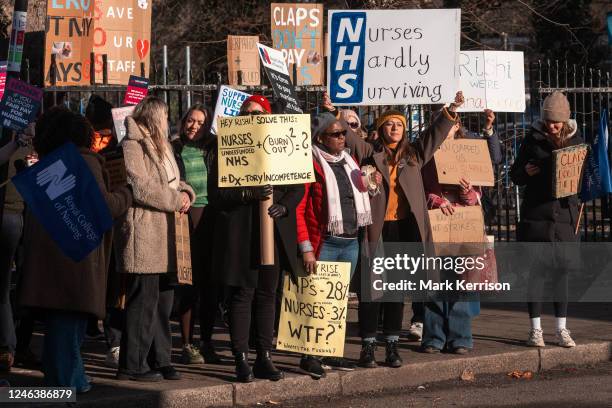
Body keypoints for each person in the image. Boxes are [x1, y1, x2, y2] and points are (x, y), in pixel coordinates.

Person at [326, 93, 460, 368]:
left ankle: (391, 347)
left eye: (399, 124)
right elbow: (350, 139)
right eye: (389, 124)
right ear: (381, 129)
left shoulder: (415, 154)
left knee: (396, 292)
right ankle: (367, 347)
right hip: (376, 231)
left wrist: (451, 110)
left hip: (404, 230)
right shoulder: (369, 153)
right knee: (372, 291)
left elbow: (435, 134)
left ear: (404, 129)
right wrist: (335, 112)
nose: (395, 128)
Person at [18, 107, 132, 392]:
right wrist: (126, 193)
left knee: (60, 328)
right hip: (76, 262)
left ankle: (73, 380)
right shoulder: (85, 162)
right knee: (69, 329)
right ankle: (64, 386)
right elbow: (104, 207)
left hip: (50, 261)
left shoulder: (47, 163)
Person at [208, 95, 304, 383]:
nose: (253, 119)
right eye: (247, 113)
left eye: (258, 113)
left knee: (267, 295)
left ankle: (264, 355)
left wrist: (284, 205)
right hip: (241, 233)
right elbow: (218, 195)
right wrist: (249, 194)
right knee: (242, 295)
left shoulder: (280, 144)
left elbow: (297, 185)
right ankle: (241, 358)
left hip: (272, 232)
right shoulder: (227, 146)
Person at [114, 96, 196, 382]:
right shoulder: (132, 145)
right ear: (152, 117)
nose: (167, 121)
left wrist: (186, 193)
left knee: (163, 302)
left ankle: (161, 358)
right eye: (164, 116)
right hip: (146, 233)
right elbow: (142, 187)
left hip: (169, 233)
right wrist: (176, 200)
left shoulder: (165, 145)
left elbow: (173, 181)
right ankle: (131, 365)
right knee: (142, 301)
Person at [296, 112, 379, 377]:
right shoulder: (312, 162)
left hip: (350, 241)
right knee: (317, 301)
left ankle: (331, 352)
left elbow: (359, 195)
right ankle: (309, 355)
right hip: (325, 242)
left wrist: (371, 185)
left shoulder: (350, 161)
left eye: (344, 133)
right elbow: (299, 208)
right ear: (321, 138)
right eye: (336, 134)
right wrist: (306, 247)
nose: (342, 138)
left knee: (338, 301)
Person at [420, 108, 501, 354]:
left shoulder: (470, 150)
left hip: (465, 223)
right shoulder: (426, 152)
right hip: (437, 222)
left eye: (453, 124)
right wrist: (435, 200)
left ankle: (460, 337)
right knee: (435, 281)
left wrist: (468, 193)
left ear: (458, 126)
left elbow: (480, 192)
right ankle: (433, 336)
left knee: (464, 281)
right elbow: (416, 187)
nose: (449, 128)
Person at [510, 91, 581, 348]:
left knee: (562, 275)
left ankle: (562, 329)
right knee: (537, 274)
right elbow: (515, 174)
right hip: (537, 216)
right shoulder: (532, 140)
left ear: (565, 121)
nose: (552, 126)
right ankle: (535, 330)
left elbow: (583, 177)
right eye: (549, 121)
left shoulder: (576, 141)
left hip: (563, 217)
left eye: (557, 122)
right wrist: (525, 172)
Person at [171, 103, 221, 365]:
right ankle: (187, 345)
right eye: (191, 120)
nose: (194, 126)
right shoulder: (174, 147)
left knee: (210, 286)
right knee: (187, 284)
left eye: (200, 122)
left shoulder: (214, 148)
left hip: (211, 218)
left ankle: (208, 341)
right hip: (184, 218)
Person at [0, 128, 33, 372]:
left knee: (6, 287)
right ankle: (9, 347)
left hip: (16, 215)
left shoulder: (22, 141)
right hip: (14, 216)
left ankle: (9, 347)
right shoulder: (20, 140)